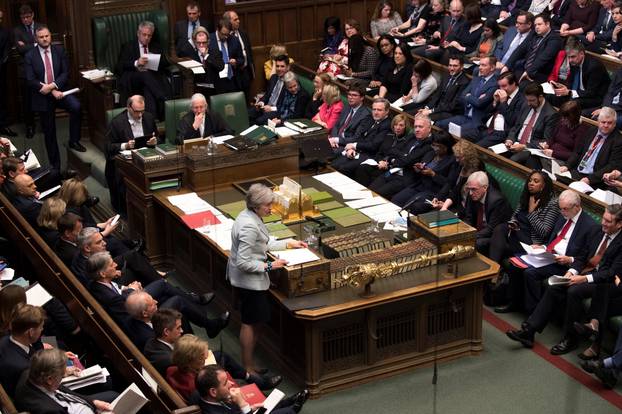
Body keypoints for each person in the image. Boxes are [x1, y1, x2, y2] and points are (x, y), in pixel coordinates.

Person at [507, 204, 622, 355]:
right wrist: (572, 271)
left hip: (604, 281)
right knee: (556, 285)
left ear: (619, 224)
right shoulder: (596, 231)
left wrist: (584, 278)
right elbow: (582, 256)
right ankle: (529, 331)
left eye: (608, 221)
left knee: (574, 291)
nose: (603, 223)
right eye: (603, 219)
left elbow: (612, 272)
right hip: (585, 272)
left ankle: (570, 339)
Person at [227, 184, 307, 374]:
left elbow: (264, 242)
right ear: (256, 206)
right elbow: (243, 262)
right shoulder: (248, 226)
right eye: (267, 205)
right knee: (250, 322)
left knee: (256, 321)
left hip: (252, 281)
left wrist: (289, 243)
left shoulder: (250, 216)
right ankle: (247, 366)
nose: (271, 208)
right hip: (249, 283)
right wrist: (271, 266)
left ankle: (250, 364)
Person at [87, 251, 228, 337]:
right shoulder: (108, 296)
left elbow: (117, 291)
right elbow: (128, 306)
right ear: (102, 273)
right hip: (139, 320)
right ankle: (206, 321)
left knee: (166, 293)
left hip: (134, 307)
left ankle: (196, 326)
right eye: (111, 265)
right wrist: (132, 290)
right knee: (176, 300)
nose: (116, 265)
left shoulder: (99, 284)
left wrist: (126, 288)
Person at [490, 171, 560, 311]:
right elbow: (515, 216)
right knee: (500, 229)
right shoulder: (527, 195)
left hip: (532, 242)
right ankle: (494, 272)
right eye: (530, 180)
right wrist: (513, 223)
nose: (531, 183)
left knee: (499, 246)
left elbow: (544, 231)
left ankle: (494, 276)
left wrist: (532, 212)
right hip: (517, 233)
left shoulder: (552, 204)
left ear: (544, 185)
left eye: (536, 181)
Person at [520, 190, 599, 313]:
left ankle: (533, 312)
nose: (562, 212)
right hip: (549, 256)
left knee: (530, 273)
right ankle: (521, 305)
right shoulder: (563, 215)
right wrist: (543, 248)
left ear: (577, 207)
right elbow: (555, 239)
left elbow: (586, 256)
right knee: (518, 263)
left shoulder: (590, 226)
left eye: (565, 209)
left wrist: (569, 259)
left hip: (565, 265)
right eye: (560, 208)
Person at [25, 25, 85, 167]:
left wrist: (53, 86)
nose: (45, 39)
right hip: (42, 96)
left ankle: (74, 140)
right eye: (41, 37)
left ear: (50, 36)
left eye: (47, 36)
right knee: (49, 132)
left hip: (60, 90)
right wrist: (49, 90)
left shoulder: (59, 50)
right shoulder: (30, 55)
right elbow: (30, 79)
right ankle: (55, 166)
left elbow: (65, 73)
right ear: (36, 38)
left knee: (76, 106)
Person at [14, 348, 117, 413]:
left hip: (81, 404)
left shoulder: (30, 373)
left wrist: (93, 402)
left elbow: (63, 390)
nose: (63, 376)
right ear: (50, 379)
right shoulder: (49, 410)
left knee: (113, 394)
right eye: (62, 375)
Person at [105, 95, 158, 213]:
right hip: (125, 162)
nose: (140, 115)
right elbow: (108, 147)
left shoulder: (148, 118)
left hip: (145, 158)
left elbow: (157, 137)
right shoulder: (117, 123)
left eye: (142, 111)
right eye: (137, 112)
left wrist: (154, 141)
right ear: (128, 108)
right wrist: (125, 145)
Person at [191, 365, 310, 414]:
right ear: (213, 391)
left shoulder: (201, 395)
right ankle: (293, 407)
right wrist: (242, 403)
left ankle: (289, 401)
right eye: (226, 383)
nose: (232, 384)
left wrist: (250, 408)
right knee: (286, 412)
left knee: (264, 405)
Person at [368, 113, 435, 199]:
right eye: (415, 127)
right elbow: (393, 150)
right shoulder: (412, 137)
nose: (417, 130)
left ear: (429, 128)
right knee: (369, 191)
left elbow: (410, 161)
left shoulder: (430, 145)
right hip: (392, 171)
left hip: (404, 178)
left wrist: (400, 157)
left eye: (420, 127)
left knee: (377, 195)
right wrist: (403, 157)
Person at [115, 21, 171, 120]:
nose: (146, 38)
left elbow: (165, 63)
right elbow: (119, 66)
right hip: (133, 78)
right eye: (144, 35)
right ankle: (162, 97)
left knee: (148, 89)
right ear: (138, 34)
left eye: (149, 36)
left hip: (152, 79)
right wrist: (136, 63)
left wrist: (154, 60)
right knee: (144, 74)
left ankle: (152, 120)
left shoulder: (155, 46)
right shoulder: (128, 46)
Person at [435, 56, 498, 140]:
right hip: (465, 116)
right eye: (479, 65)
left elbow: (480, 104)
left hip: (476, 121)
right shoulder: (476, 79)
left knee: (454, 133)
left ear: (492, 67)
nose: (480, 68)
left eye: (483, 65)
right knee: (438, 124)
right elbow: (462, 96)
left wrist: (469, 96)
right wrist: (474, 98)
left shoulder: (495, 84)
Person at [392, 131, 459, 209]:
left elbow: (449, 183)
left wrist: (433, 174)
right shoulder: (430, 153)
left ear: (446, 147)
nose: (435, 148)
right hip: (419, 186)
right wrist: (419, 169)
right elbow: (422, 168)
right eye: (433, 145)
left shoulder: (453, 161)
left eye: (438, 146)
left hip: (434, 192)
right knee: (396, 200)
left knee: (410, 207)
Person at [558, 106, 622, 189]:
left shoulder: (618, 141)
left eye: (609, 123)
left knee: (574, 189)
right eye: (603, 122)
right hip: (578, 171)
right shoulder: (591, 131)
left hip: (595, 179)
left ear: (614, 124)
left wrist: (590, 179)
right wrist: (567, 165)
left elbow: (612, 166)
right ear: (598, 121)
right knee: (556, 177)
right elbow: (578, 152)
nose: (606, 125)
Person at [331, 98, 392, 177]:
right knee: (334, 165)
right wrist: (351, 148)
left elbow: (373, 146)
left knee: (343, 168)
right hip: (357, 151)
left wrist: (354, 145)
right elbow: (360, 136)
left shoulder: (387, 125)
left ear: (387, 111)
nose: (376, 112)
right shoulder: (370, 118)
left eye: (379, 110)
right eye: (374, 109)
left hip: (369, 156)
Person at [502, 82, 559, 165]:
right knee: (494, 153)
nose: (529, 103)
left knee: (513, 160)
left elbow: (546, 140)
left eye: (532, 100)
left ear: (540, 97)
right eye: (527, 100)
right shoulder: (526, 105)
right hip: (515, 143)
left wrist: (524, 146)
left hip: (529, 148)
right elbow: (516, 126)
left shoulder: (551, 114)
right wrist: (510, 139)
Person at [545, 40, 610, 110]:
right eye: (568, 57)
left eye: (572, 57)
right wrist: (562, 87)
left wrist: (569, 92)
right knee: (550, 96)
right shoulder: (574, 62)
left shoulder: (594, 67)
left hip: (594, 98)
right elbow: (571, 82)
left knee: (573, 104)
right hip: (577, 93)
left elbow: (591, 92)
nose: (570, 60)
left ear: (581, 53)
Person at [354, 113, 416, 187]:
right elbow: (379, 153)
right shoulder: (389, 136)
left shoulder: (407, 141)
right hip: (379, 163)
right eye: (395, 125)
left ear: (406, 127)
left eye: (401, 125)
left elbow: (401, 159)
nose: (397, 128)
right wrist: (380, 161)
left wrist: (388, 165)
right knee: (362, 168)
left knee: (376, 176)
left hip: (391, 168)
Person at [528, 99, 589, 169]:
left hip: (562, 159)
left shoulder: (582, 130)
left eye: (566, 118)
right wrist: (547, 144)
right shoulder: (562, 122)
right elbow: (552, 138)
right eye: (562, 117)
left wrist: (554, 153)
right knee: (532, 156)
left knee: (545, 162)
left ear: (574, 117)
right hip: (549, 153)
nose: (563, 119)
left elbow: (576, 154)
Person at [462, 171, 512, 254]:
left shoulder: (497, 201)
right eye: (469, 189)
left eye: (474, 189)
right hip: (479, 232)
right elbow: (468, 219)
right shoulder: (472, 194)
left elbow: (490, 229)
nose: (470, 193)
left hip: (495, 237)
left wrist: (470, 236)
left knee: (476, 243)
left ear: (485, 187)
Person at [0, 304, 45, 396]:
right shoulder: (24, 368)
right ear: (31, 332)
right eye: (41, 327)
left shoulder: (5, 340)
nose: (42, 329)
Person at [508, 13, 563, 85]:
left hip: (540, 74)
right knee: (506, 79)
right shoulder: (534, 33)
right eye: (535, 25)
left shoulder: (555, 39)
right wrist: (507, 65)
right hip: (525, 69)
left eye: (539, 24)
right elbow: (521, 49)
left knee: (518, 86)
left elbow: (543, 58)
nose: (537, 27)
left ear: (547, 24)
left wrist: (528, 71)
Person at [476, 72, 527, 148]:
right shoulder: (499, 94)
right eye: (499, 86)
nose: (501, 89)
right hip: (486, 129)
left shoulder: (522, 100)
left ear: (513, 83)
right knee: (462, 137)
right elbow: (485, 114)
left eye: (504, 86)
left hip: (501, 134)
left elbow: (513, 121)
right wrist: (495, 102)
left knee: (475, 147)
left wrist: (503, 102)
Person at [12, 4, 41, 138]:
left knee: (42, 98)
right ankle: (30, 127)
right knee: (27, 101)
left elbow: (44, 44)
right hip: (25, 71)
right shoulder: (17, 31)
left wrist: (27, 45)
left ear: (32, 15)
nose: (26, 20)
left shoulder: (41, 27)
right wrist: (35, 44)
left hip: (40, 69)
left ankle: (45, 124)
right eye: (23, 18)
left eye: (28, 17)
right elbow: (20, 49)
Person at [418, 55, 470, 122]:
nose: (451, 68)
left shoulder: (464, 82)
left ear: (462, 67)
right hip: (437, 108)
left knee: (423, 120)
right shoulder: (446, 75)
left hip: (449, 112)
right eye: (450, 65)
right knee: (417, 114)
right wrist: (427, 108)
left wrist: (431, 111)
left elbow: (452, 106)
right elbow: (437, 95)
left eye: (455, 66)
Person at [177, 26, 224, 97]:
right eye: (199, 43)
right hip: (198, 90)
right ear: (195, 42)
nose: (201, 45)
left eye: (204, 42)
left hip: (214, 89)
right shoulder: (191, 55)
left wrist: (206, 56)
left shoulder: (216, 52)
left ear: (208, 41)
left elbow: (221, 67)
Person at [328, 83, 372, 151]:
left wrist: (337, 140)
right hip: (335, 141)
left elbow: (356, 138)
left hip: (347, 146)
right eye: (349, 94)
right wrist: (334, 139)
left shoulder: (366, 115)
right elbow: (336, 126)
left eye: (354, 95)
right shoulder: (347, 107)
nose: (350, 97)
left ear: (362, 97)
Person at [249, 54, 290, 124]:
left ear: (288, 67)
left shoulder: (290, 82)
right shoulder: (274, 77)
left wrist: (271, 108)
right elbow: (267, 94)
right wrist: (261, 102)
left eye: (282, 66)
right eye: (277, 66)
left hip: (277, 110)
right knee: (248, 113)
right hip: (265, 107)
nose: (279, 69)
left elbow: (286, 105)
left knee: (259, 121)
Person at [224, 11, 255, 100]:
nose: (239, 21)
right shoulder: (224, 36)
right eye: (235, 19)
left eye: (238, 19)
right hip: (233, 75)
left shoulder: (243, 33)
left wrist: (251, 71)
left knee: (246, 99)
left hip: (245, 73)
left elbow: (248, 52)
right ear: (228, 22)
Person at [209, 19, 244, 94]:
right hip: (216, 80)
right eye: (223, 34)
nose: (226, 37)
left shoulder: (234, 40)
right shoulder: (209, 40)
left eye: (228, 34)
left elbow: (241, 59)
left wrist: (236, 62)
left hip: (232, 79)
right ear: (217, 30)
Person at [0, 10, 12, 138]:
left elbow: (6, 53)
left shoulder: (4, 32)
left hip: (0, 71)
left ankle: (2, 125)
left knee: (2, 99)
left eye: (1, 18)